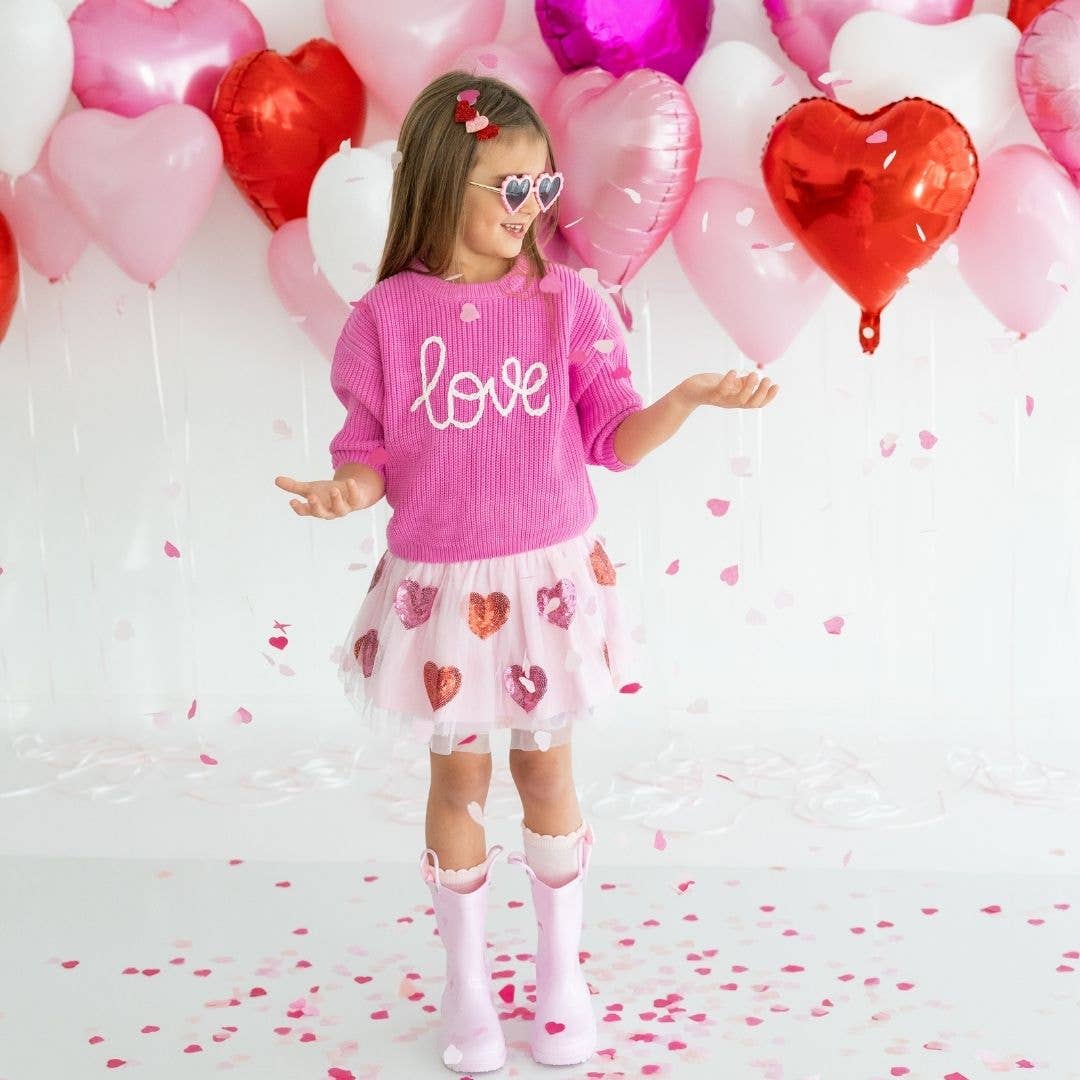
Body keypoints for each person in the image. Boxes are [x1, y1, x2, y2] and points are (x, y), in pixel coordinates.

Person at [274, 71, 779, 1073]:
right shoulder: (384, 318)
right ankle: (466, 984)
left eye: (542, 190)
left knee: (546, 766)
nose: (530, 211)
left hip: (548, 584)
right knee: (457, 773)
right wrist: (345, 489)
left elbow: (613, 437)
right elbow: (365, 453)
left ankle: (561, 974)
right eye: (509, 189)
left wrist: (678, 400)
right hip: (443, 592)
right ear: (438, 181)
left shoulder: (569, 302)